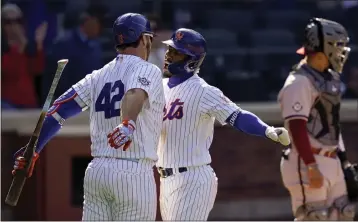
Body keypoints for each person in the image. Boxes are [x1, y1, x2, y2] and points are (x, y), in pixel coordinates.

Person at [12, 13, 165, 221]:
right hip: (133, 171)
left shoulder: (98, 75)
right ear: (143, 38)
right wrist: (127, 123)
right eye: (149, 37)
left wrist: (34, 148)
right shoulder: (148, 70)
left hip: (97, 172)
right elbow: (134, 94)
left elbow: (59, 109)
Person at [156, 28, 291, 221]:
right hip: (165, 177)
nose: (168, 56)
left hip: (192, 177)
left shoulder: (204, 91)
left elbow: (237, 116)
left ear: (191, 60)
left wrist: (267, 130)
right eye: (169, 50)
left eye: (176, 52)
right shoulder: (159, 87)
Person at [278, 18, 355, 220]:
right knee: (315, 216)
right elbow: (296, 127)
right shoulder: (298, 82)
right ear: (324, 48)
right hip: (307, 161)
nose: (342, 51)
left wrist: (344, 162)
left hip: (331, 159)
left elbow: (332, 124)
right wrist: (311, 165)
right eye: (338, 46)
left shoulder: (328, 79)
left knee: (345, 214)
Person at [41, 4, 105, 104]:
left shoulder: (96, 45)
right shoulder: (64, 43)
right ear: (87, 21)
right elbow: (56, 76)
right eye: (98, 22)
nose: (100, 26)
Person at [1, 3, 47, 109]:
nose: (14, 26)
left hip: (29, 102)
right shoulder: (4, 48)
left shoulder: (27, 46)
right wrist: (20, 47)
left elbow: (37, 69)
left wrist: (39, 45)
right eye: (8, 22)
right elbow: (9, 72)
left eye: (17, 21)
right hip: (8, 103)